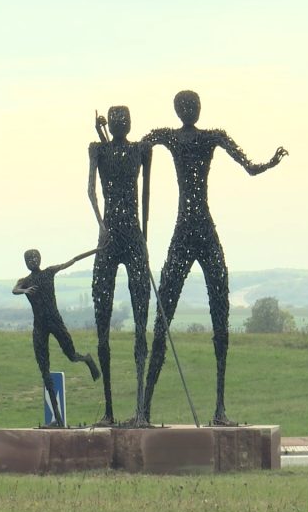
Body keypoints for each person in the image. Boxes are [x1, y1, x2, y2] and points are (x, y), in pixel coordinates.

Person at [140, 90, 288, 426]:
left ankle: (213, 409)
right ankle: (146, 409)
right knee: (171, 318)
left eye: (191, 106)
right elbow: (250, 168)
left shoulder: (182, 137)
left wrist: (269, 163)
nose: (190, 110)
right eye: (187, 106)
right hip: (197, 231)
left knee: (213, 317)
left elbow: (136, 148)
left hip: (196, 231)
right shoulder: (204, 137)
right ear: (183, 110)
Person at [87, 106, 153, 426]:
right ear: (110, 123)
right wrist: (101, 225)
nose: (119, 124)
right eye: (115, 121)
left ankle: (140, 410)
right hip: (110, 238)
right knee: (103, 323)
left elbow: (146, 196)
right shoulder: (98, 149)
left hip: (129, 236)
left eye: (123, 120)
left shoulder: (141, 150)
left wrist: (144, 240)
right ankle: (110, 410)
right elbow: (90, 191)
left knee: (141, 323)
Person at [13, 247, 102, 427]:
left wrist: (97, 250)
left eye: (35, 258)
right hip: (39, 326)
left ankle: (87, 359)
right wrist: (25, 291)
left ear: (40, 258)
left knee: (71, 355)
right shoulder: (25, 282)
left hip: (55, 321)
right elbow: (14, 290)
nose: (32, 261)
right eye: (29, 259)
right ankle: (58, 419)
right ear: (25, 263)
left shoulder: (49, 272)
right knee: (44, 370)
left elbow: (73, 259)